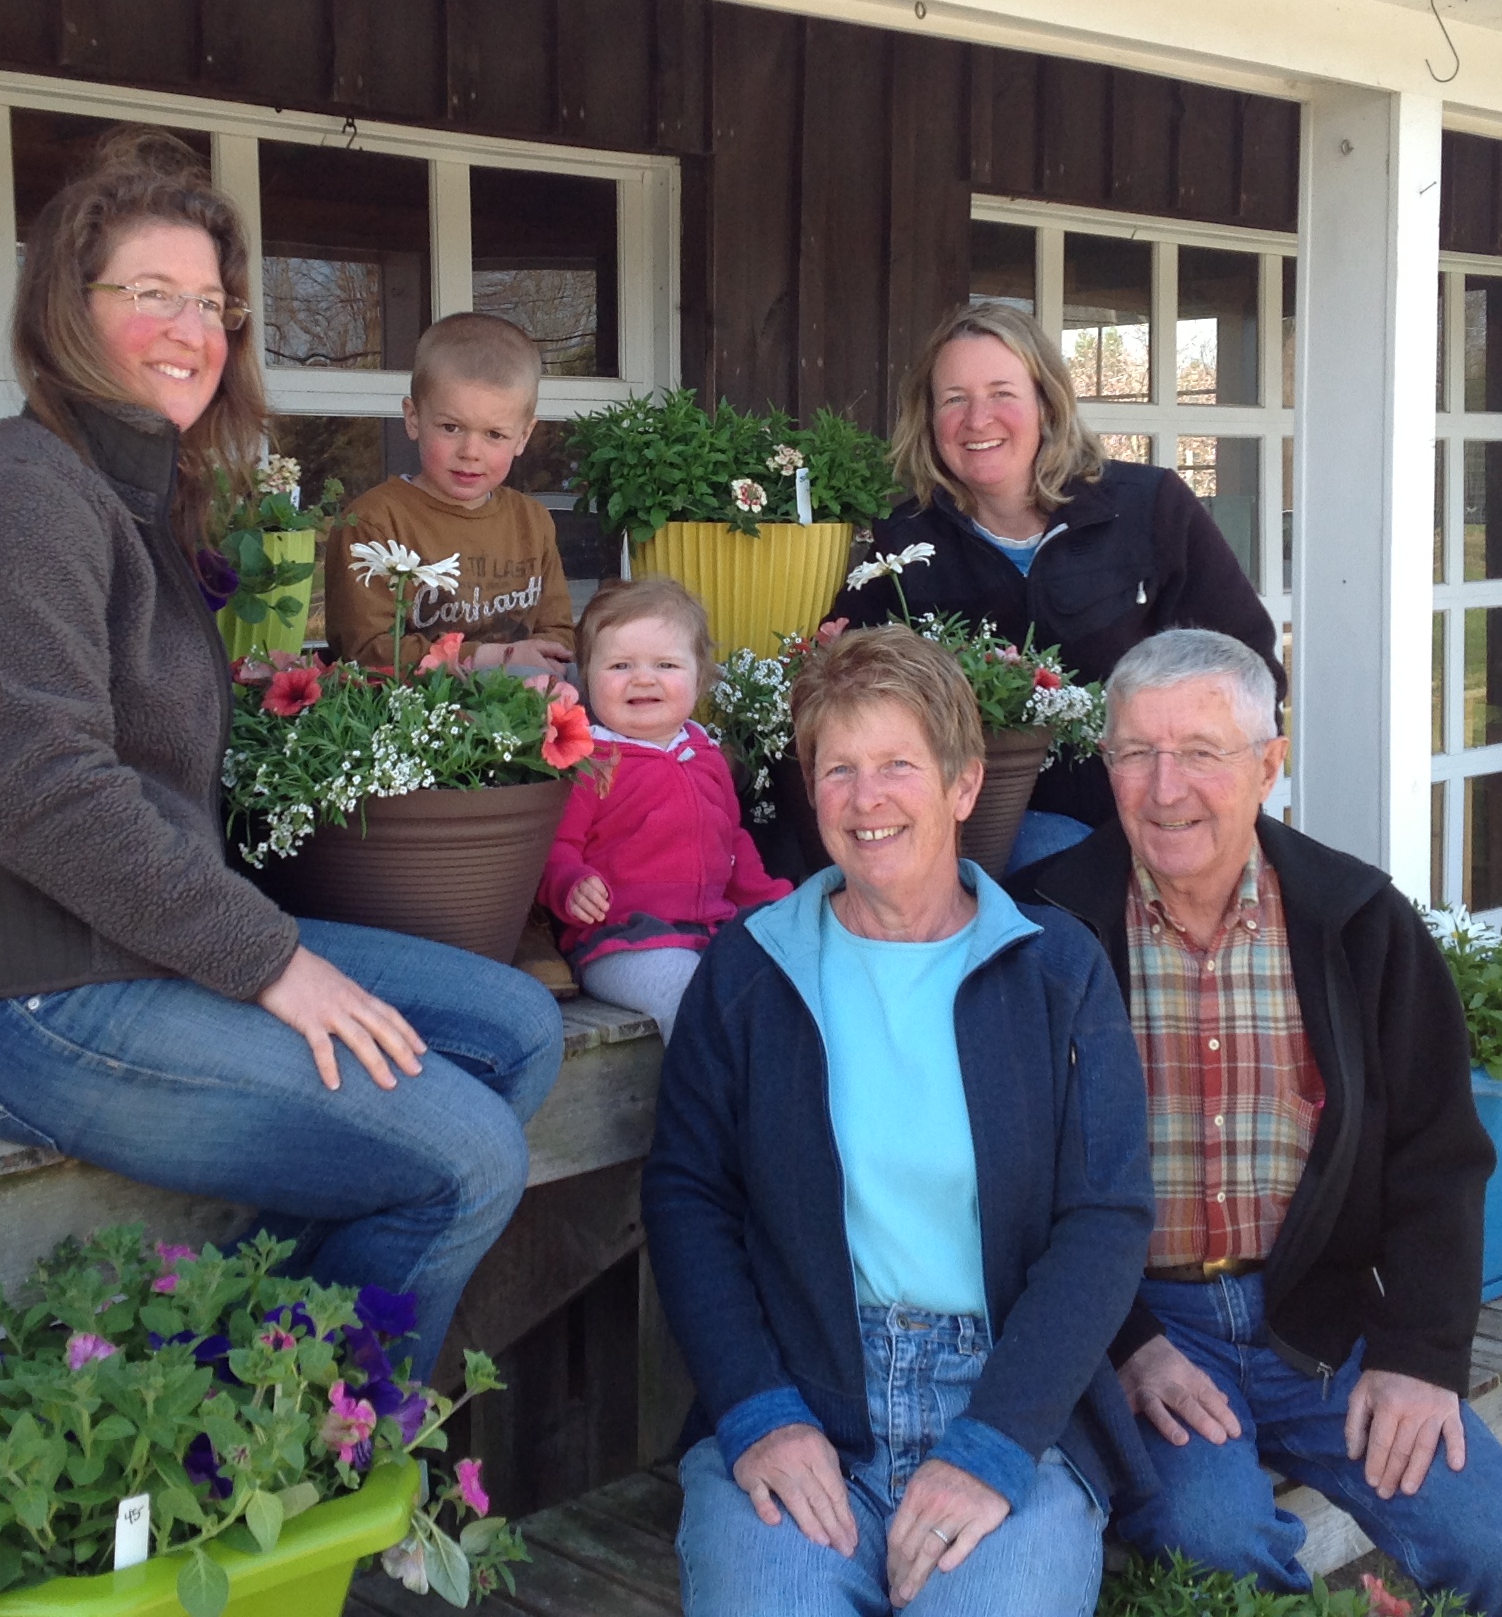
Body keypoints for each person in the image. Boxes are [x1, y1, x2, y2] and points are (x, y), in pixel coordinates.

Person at [0, 127, 566, 1382]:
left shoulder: (136, 501)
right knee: (468, 1154)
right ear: (66, 311)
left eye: (210, 301)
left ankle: (245, 1363)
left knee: (514, 1029)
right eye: (150, 294)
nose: (192, 327)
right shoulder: (17, 504)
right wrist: (270, 959)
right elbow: (46, 797)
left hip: (139, 950)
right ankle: (284, 1437)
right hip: (25, 996)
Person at [1010, 629, 1502, 1614]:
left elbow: (1440, 1159)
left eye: (1201, 751)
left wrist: (1418, 1356)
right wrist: (1126, 1341)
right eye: (1136, 752)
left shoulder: (1356, 923)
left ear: (1270, 763)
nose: (1164, 785)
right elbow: (1010, 1177)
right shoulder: (1050, 928)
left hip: (1320, 1320)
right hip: (1141, 1325)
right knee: (1215, 1541)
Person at [645, 625, 1154, 1616]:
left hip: (1011, 1401)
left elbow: (1106, 1220)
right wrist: (756, 1411)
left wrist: (996, 1441)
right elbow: (688, 1198)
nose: (866, 799)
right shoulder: (752, 969)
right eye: (838, 769)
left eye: (896, 766)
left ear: (964, 784)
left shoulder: (1054, 968)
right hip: (803, 1397)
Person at [826, 302, 1280, 875]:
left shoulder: (1150, 508)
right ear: (928, 417)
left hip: (1157, 813)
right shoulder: (904, 540)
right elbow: (850, 696)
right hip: (980, 835)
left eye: (1002, 393)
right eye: (954, 399)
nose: (977, 419)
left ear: (1047, 403)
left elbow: (1250, 667)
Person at [538, 577, 789, 1040]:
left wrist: (772, 904)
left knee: (774, 979)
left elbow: (732, 843)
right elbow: (555, 849)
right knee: (690, 993)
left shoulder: (704, 753)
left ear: (701, 677)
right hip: (623, 941)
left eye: (666, 664)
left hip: (709, 930)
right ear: (587, 678)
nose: (644, 678)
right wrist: (570, 884)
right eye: (620, 665)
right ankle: (704, 1106)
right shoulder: (591, 762)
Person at [320, 310, 576, 673]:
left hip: (519, 706)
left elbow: (558, 633)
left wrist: (544, 663)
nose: (471, 451)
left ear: (524, 436)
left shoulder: (532, 521)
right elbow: (364, 651)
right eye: (451, 427)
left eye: (495, 434)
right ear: (413, 419)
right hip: (411, 716)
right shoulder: (374, 522)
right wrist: (484, 658)